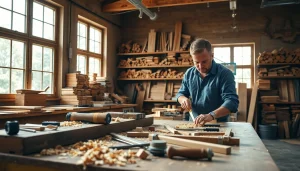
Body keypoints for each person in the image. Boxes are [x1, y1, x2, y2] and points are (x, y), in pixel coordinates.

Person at [176, 38, 239, 125]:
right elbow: (180, 94)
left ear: (212, 56)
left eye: (204, 62)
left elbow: (232, 102)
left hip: (218, 124)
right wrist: (183, 99)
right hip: (194, 123)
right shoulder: (189, 73)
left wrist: (211, 115)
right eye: (196, 62)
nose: (200, 67)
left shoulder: (225, 74)